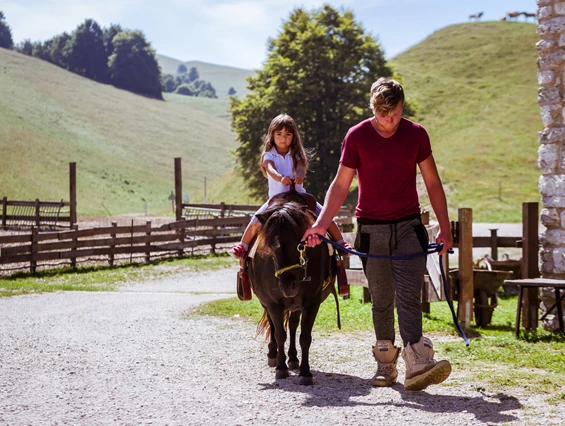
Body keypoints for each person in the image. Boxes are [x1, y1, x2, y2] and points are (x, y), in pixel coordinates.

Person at [301, 78, 453, 391]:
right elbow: (341, 185)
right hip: (371, 229)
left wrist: (446, 227)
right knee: (381, 300)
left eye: (395, 114)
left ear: (402, 107)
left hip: (410, 227)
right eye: (383, 115)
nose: (389, 121)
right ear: (374, 108)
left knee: (410, 297)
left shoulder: (416, 134)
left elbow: (433, 183)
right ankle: (386, 365)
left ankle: (417, 364)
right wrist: (320, 223)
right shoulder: (356, 136)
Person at [229, 114, 350, 259]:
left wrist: (300, 176)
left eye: (288, 134)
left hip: (299, 195)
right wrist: (280, 178)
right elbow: (270, 169)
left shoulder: (296, 154)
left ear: (293, 136)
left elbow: (301, 167)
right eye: (279, 134)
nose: (283, 138)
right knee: (256, 220)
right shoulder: (269, 155)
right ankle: (243, 246)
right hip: (277, 199)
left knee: (325, 215)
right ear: (272, 135)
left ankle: (341, 243)